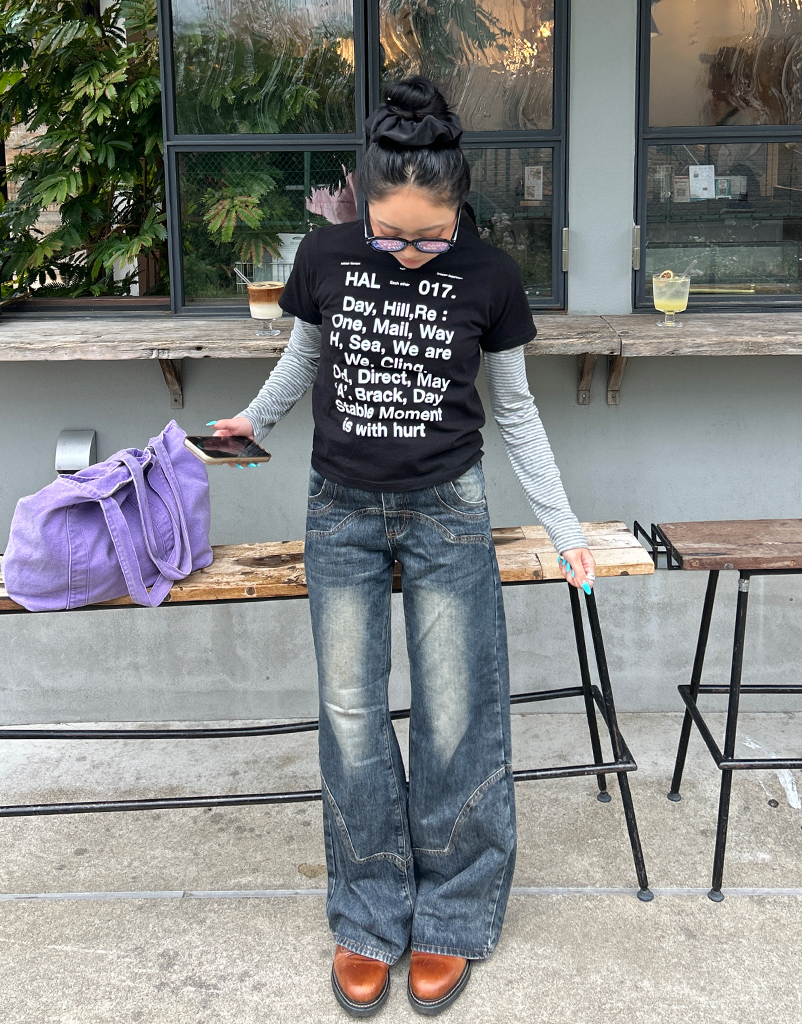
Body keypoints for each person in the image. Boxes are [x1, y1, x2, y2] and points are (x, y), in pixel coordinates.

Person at [209, 76, 595, 1018]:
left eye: (432, 238)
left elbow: (515, 412)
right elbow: (304, 359)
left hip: (446, 509)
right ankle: (369, 913)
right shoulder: (325, 255)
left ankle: (452, 912)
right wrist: (252, 420)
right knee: (349, 716)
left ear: (461, 210)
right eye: (391, 237)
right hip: (339, 511)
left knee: (456, 717)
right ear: (363, 204)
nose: (411, 255)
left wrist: (565, 527)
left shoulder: (492, 276)